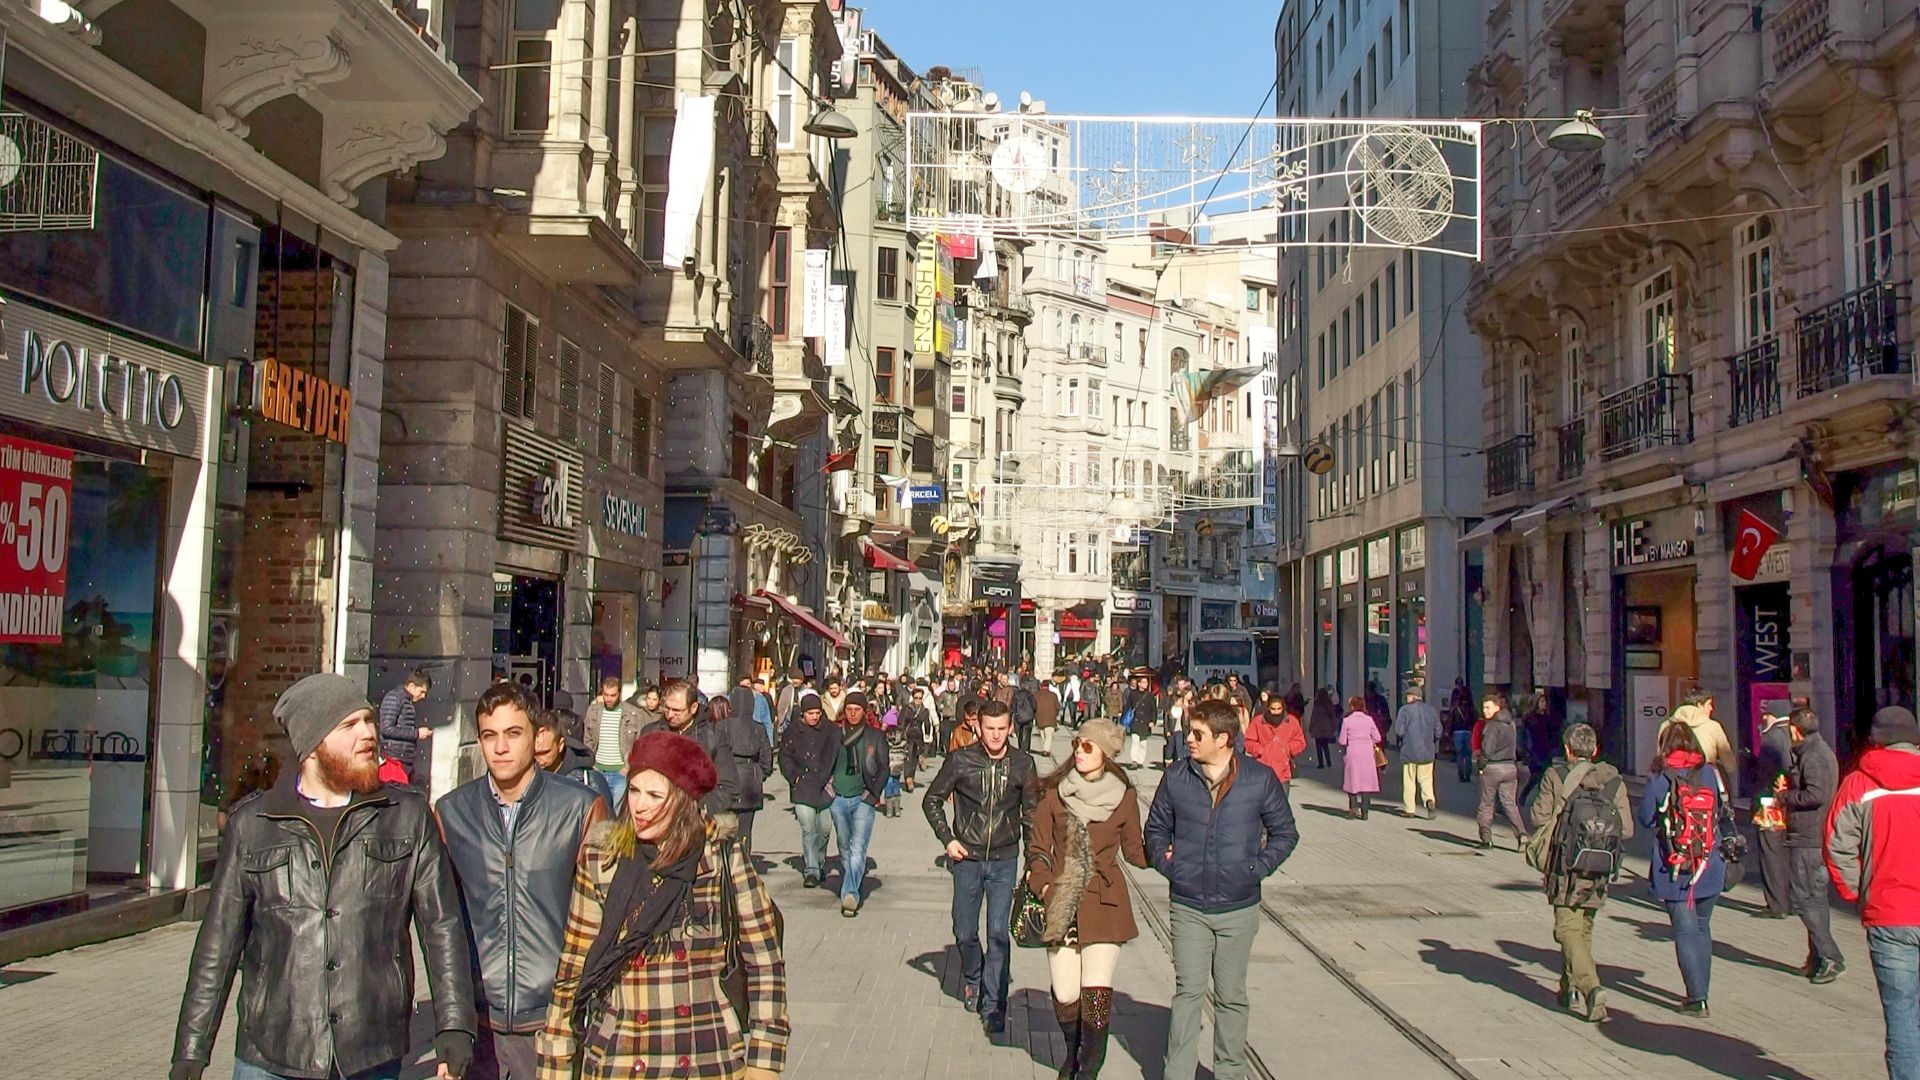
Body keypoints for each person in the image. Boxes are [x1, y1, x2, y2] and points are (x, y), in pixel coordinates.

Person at [172, 674, 476, 1080]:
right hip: (273, 1048)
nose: (369, 733)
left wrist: (454, 1024)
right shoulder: (255, 824)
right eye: (349, 725)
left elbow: (443, 928)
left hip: (370, 1049)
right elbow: (218, 944)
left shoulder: (405, 816)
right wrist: (191, 1050)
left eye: (368, 720)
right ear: (312, 745)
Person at [534, 731, 787, 1080]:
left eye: (654, 795)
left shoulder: (719, 857)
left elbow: (765, 962)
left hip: (704, 1056)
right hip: (619, 1058)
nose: (639, 805)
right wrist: (556, 1061)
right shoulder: (602, 859)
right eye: (634, 791)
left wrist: (764, 1059)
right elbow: (572, 970)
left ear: (683, 800)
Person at [440, 682, 607, 1079]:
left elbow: (605, 914)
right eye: (489, 736)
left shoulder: (579, 808)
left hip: (556, 1019)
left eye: (513, 734)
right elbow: (441, 925)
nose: (500, 748)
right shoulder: (452, 813)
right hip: (481, 1021)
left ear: (538, 736)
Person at [1147, 699, 1298, 1080]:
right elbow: (1154, 830)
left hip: (1238, 907)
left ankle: (1230, 1072)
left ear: (1224, 738)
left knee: (1231, 997)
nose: (1188, 739)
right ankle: (1178, 1072)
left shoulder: (1258, 779)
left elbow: (1285, 833)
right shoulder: (1178, 777)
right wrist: (1171, 867)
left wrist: (1256, 869)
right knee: (1188, 994)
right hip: (1189, 905)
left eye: (1197, 734)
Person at [1025, 719, 1146, 1078]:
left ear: (1106, 755)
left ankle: (1087, 1069)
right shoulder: (1056, 794)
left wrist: (1174, 852)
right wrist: (1045, 886)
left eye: (1087, 747)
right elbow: (1037, 849)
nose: (1079, 751)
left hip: (1104, 903)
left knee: (1095, 991)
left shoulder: (1124, 798)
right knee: (1065, 994)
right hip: (1062, 902)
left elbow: (1136, 852)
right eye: (1077, 744)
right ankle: (1072, 1050)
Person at [922, 700, 1040, 1034]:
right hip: (967, 858)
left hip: (1004, 859)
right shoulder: (961, 760)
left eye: (1002, 729)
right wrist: (947, 838)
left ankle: (994, 1004)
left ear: (1011, 728)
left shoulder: (1023, 764)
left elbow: (1031, 814)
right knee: (964, 930)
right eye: (990, 728)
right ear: (978, 727)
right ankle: (974, 976)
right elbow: (931, 799)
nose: (996, 735)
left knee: (999, 934)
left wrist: (1033, 861)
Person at [1825, 705, 1920, 1079]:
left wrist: (1855, 892)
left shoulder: (1859, 783)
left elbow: (1837, 843)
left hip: (1889, 912)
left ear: (1875, 740)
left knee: (1900, 1014)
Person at [1526, 722, 1632, 1023]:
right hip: (1600, 866)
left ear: (1568, 750)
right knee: (1582, 927)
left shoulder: (1556, 775)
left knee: (1566, 929)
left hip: (1565, 865)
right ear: (1595, 750)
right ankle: (1567, 987)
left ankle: (1590, 987)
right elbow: (1627, 829)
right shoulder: (1614, 781)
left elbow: (1537, 816)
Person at [1638, 721, 1728, 1016]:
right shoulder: (1710, 774)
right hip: (1709, 864)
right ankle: (1702, 991)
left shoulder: (1660, 778)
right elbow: (1720, 813)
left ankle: (1696, 996)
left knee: (1685, 932)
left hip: (1675, 866)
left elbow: (1647, 820)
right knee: (1702, 927)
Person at [1779, 707, 1844, 983]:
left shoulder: (1814, 756)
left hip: (1809, 835)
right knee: (1815, 899)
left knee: (1803, 898)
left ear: (1795, 729)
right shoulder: (1816, 751)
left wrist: (1786, 796)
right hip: (1813, 834)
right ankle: (1817, 957)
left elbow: (1815, 794)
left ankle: (1831, 956)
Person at [638, 680, 741, 818]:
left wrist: (701, 808)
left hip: (697, 821)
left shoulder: (713, 737)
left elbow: (728, 786)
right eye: (667, 708)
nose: (669, 715)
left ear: (693, 708)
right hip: (656, 818)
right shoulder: (650, 733)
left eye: (676, 710)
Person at [826, 690, 887, 916]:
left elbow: (883, 768)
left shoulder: (875, 737)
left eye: (857, 710)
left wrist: (872, 795)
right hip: (838, 798)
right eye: (849, 710)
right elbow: (825, 762)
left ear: (864, 712)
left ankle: (850, 894)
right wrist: (828, 788)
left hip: (863, 798)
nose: (853, 714)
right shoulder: (834, 735)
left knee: (858, 847)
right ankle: (853, 878)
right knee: (844, 846)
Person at [778, 691, 837, 889]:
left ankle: (819, 862)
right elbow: (784, 757)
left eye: (817, 712)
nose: (815, 716)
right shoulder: (792, 731)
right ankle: (811, 870)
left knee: (825, 829)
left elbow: (838, 754)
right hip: (802, 786)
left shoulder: (831, 730)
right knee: (808, 828)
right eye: (810, 713)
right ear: (803, 713)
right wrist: (793, 775)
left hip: (826, 787)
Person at [713, 693, 774, 854]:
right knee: (745, 830)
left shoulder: (722, 726)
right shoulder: (758, 728)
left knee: (725, 829)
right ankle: (743, 863)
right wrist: (761, 774)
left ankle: (726, 863)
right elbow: (766, 756)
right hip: (750, 779)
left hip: (726, 778)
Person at [1753, 707, 1796, 918]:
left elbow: (1765, 773)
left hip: (1771, 802)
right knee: (1790, 853)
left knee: (1771, 853)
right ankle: (1793, 901)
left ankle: (1776, 904)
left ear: (1771, 716)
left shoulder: (1771, 737)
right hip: (1793, 802)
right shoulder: (1795, 733)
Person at [1475, 698, 1530, 849]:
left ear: (1497, 707)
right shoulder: (1511, 723)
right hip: (1510, 767)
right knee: (1509, 804)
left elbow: (1487, 749)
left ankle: (1486, 838)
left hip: (1492, 768)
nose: (1485, 710)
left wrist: (1481, 765)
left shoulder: (1492, 726)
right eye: (1484, 707)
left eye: (1488, 707)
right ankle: (1522, 834)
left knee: (1486, 803)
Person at [535, 708, 614, 807]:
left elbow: (606, 821)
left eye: (544, 753)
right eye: (534, 753)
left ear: (560, 745)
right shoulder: (526, 779)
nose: (538, 759)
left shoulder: (590, 781)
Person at [1661, 687, 1737, 783]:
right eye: (1709, 704)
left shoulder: (1666, 725)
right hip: (1705, 780)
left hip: (1671, 779)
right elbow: (1727, 759)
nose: (1711, 708)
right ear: (1699, 705)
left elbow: (1661, 754)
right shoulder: (1713, 726)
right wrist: (1729, 767)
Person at [1390, 689, 1443, 819]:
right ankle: (1429, 800)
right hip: (1427, 752)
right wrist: (1431, 741)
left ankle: (1410, 809)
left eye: (1408, 696)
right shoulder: (1431, 710)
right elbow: (1438, 731)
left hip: (1409, 751)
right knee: (1426, 780)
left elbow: (1399, 730)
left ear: (1413, 697)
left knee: (1409, 781)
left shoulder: (1404, 710)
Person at [376, 667, 433, 787]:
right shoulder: (395, 698)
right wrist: (416, 733)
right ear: (411, 686)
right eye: (421, 691)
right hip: (393, 761)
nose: (423, 696)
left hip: (402, 761)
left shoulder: (405, 701)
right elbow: (386, 729)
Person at [1243, 695, 1307, 792]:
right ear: (1268, 708)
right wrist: (1260, 751)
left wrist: (1288, 748)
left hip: (1283, 772)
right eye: (1273, 709)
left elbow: (1300, 742)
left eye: (1279, 709)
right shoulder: (1258, 722)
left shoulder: (1292, 722)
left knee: (1282, 805)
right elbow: (1249, 741)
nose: (1276, 712)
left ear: (1283, 708)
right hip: (1263, 770)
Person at [1338, 694, 1383, 819]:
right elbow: (1378, 737)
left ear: (1352, 706)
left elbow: (1342, 740)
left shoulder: (1347, 721)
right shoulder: (1369, 720)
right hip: (1367, 753)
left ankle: (1353, 809)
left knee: (1352, 781)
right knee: (1366, 783)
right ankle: (1365, 812)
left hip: (1353, 752)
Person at [1448, 679, 1477, 783]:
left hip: (1457, 730)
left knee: (1460, 754)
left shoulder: (1455, 698)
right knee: (1468, 754)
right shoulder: (1468, 702)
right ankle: (1468, 775)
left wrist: (1449, 731)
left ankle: (1461, 775)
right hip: (1468, 730)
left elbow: (1451, 717)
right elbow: (1474, 716)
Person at [1307, 687, 1339, 769]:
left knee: (1318, 746)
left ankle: (1320, 763)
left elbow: (1314, 716)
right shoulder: (1329, 703)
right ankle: (1328, 762)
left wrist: (1311, 726)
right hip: (1326, 726)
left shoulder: (1317, 703)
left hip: (1317, 727)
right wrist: (1334, 727)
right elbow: (1332, 715)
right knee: (1325, 745)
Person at [1035, 675, 1063, 755]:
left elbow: (1034, 706)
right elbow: (1057, 707)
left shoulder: (1036, 695)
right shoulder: (1053, 695)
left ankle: (1045, 748)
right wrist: (1056, 714)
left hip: (1039, 718)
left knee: (1043, 734)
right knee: (1049, 735)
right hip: (1051, 718)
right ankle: (1046, 750)